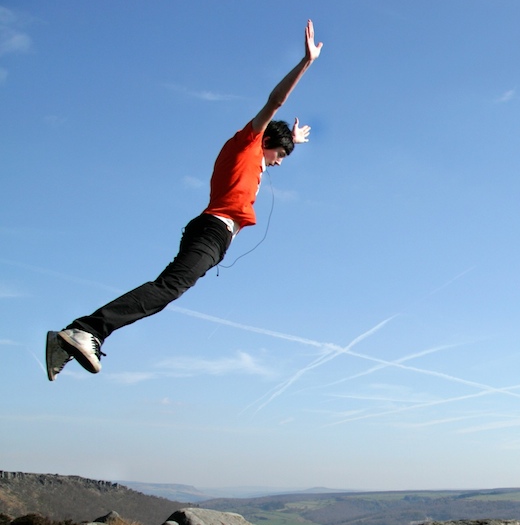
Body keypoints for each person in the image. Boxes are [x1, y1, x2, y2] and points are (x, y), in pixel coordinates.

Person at [45, 20, 323, 381]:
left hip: (214, 235)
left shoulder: (256, 158)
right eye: (280, 156)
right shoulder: (246, 143)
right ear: (268, 143)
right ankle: (87, 330)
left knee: (169, 290)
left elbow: (275, 144)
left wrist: (293, 141)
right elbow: (275, 102)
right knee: (168, 288)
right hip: (212, 230)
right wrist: (305, 64)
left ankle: (81, 334)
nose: (279, 163)